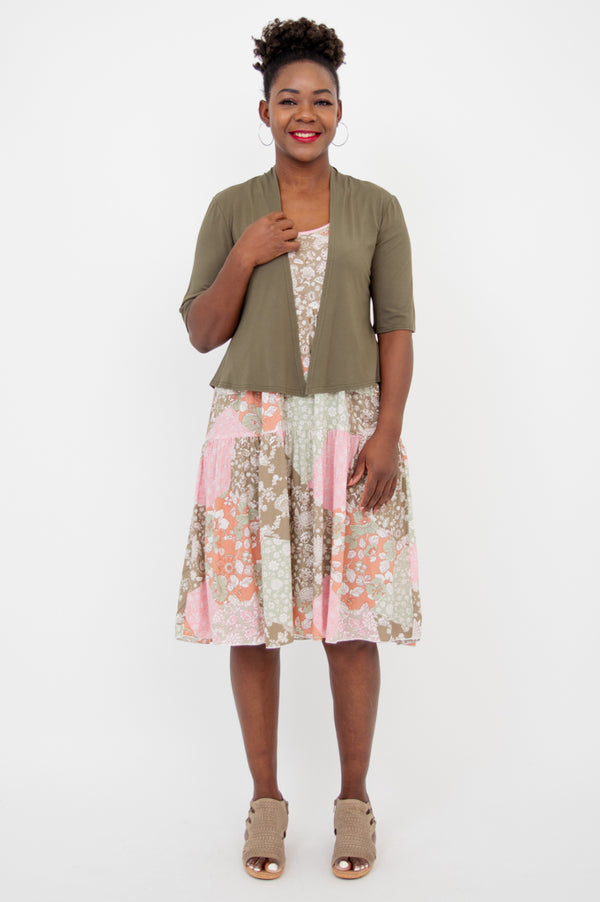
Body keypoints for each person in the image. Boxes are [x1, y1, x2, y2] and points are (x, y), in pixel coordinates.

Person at [174, 17, 422, 881]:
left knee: (351, 626)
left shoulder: (377, 208)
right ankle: (266, 803)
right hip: (251, 433)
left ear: (340, 112)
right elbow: (202, 331)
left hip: (350, 434)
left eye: (321, 99)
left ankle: (354, 803)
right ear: (265, 111)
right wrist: (243, 258)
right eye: (289, 100)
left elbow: (397, 328)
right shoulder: (231, 209)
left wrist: (388, 433)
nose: (305, 113)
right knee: (253, 628)